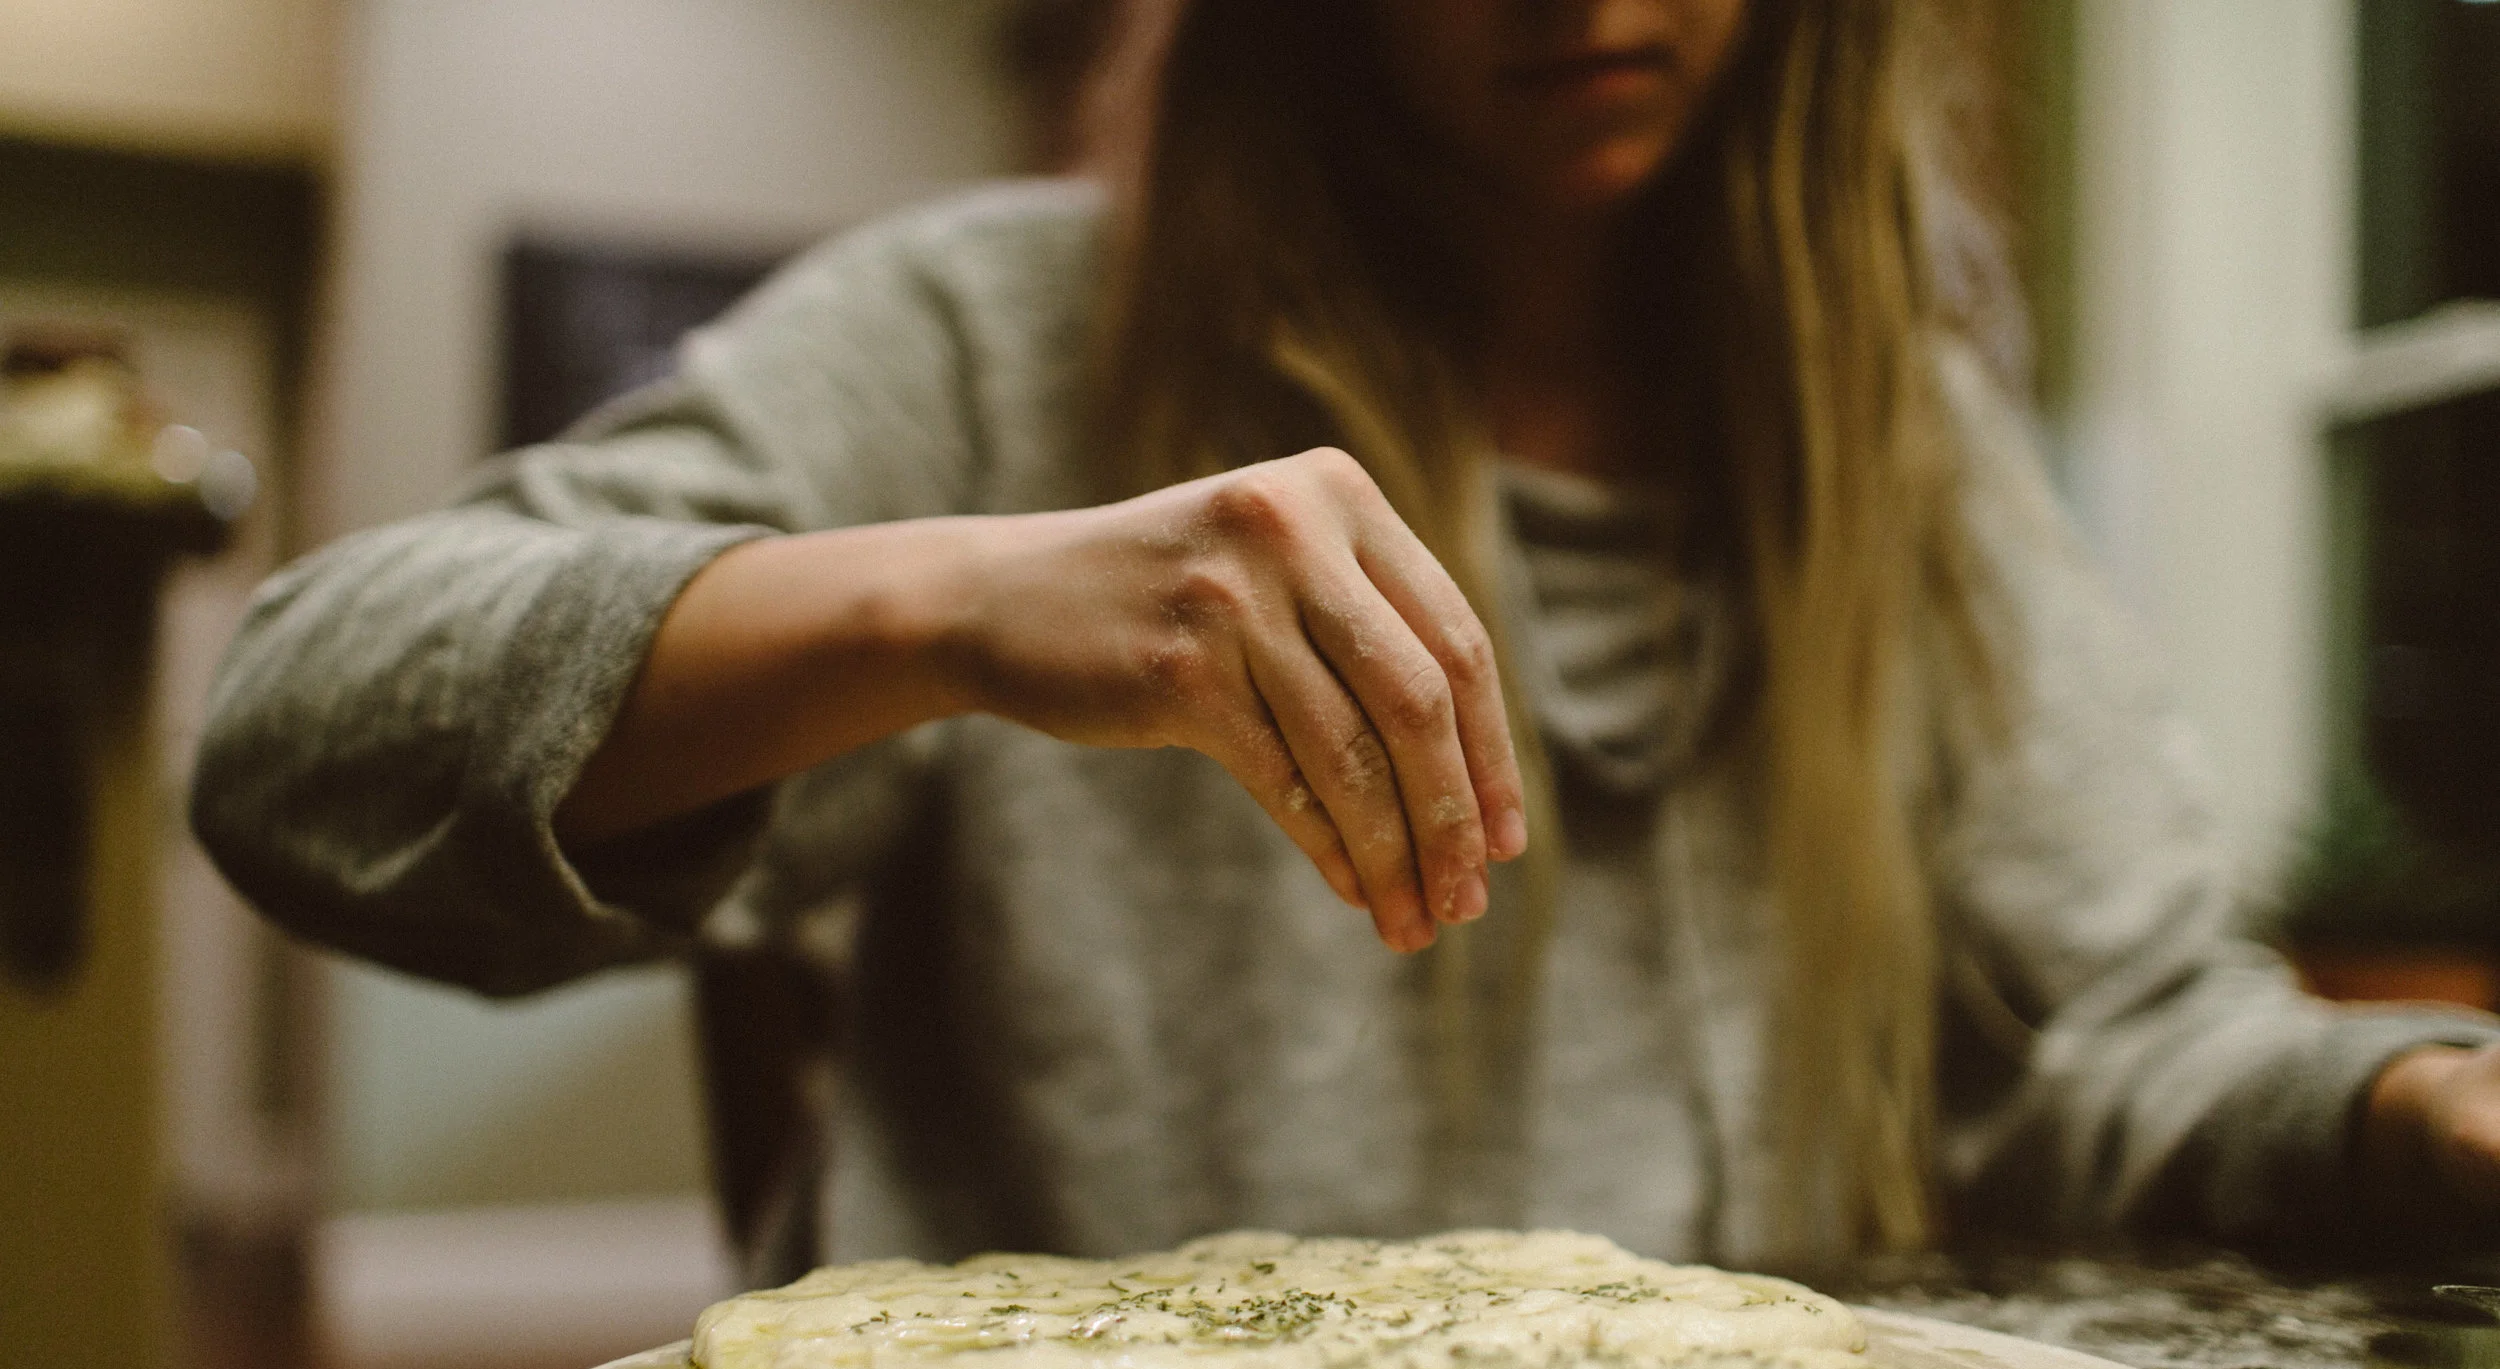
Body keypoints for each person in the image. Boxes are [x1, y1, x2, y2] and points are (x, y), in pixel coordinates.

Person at [194, 0, 2500, 1271]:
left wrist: (2410, 1103)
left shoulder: (1906, 440)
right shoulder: (992, 341)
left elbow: (2128, 1038)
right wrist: (944, 600)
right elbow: (298, 727)